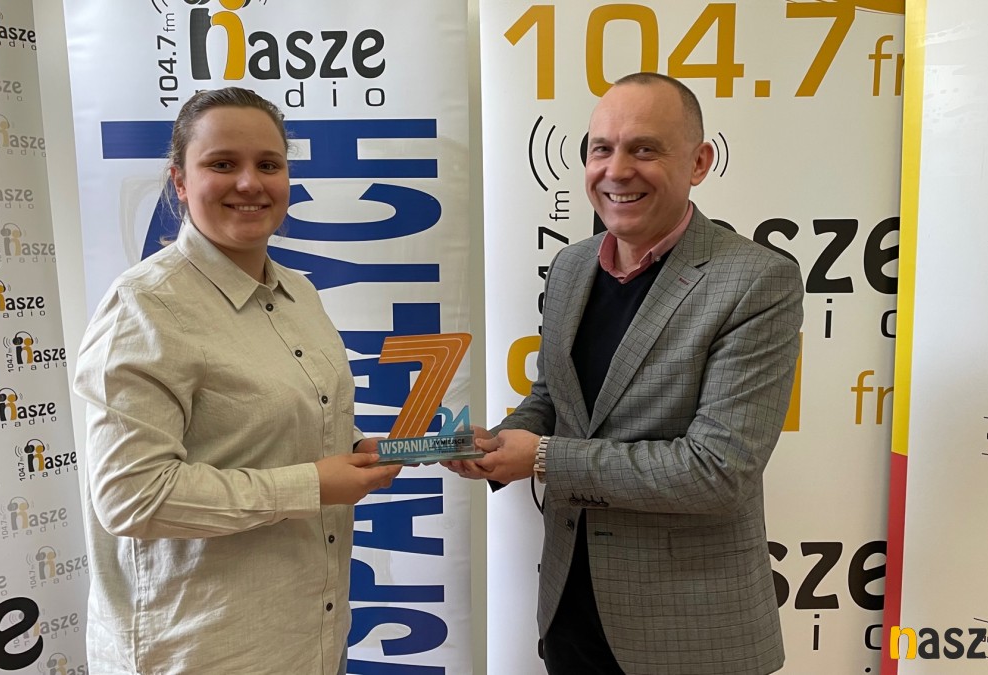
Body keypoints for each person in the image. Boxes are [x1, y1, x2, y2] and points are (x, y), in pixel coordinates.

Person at [448, 73, 803, 674]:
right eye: (601, 149)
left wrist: (541, 457)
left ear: (699, 162)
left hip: (689, 632)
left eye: (644, 149)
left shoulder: (756, 281)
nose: (616, 170)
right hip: (570, 608)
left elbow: (718, 471)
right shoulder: (571, 266)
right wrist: (501, 441)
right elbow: (555, 397)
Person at [73, 87, 400, 675]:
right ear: (179, 181)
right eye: (222, 164)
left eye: (268, 165)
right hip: (200, 648)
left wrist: (351, 451)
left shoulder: (300, 293)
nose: (250, 183)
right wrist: (311, 485)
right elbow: (132, 497)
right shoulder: (144, 308)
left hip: (308, 634)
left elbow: (266, 434)